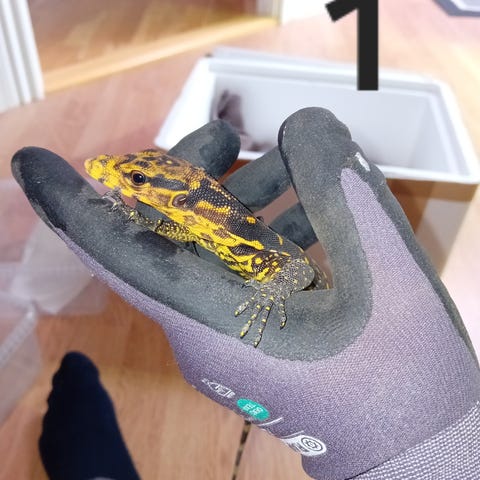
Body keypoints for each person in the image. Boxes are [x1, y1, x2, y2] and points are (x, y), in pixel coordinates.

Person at [14, 107, 480, 479]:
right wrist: (140, 215)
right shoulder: (201, 221)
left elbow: (295, 269)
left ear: (180, 197)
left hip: (309, 302)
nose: (109, 173)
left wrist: (270, 293)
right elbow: (186, 231)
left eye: (136, 180)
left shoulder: (241, 239)